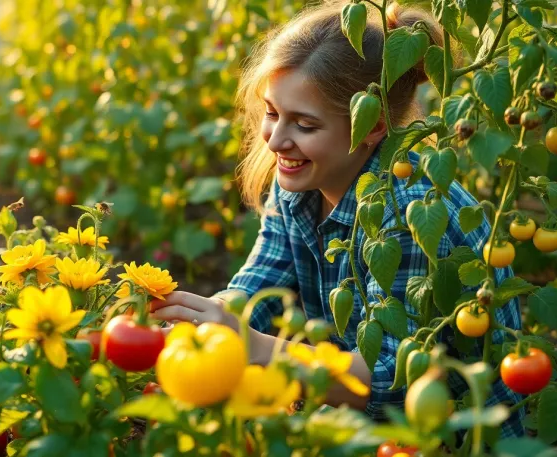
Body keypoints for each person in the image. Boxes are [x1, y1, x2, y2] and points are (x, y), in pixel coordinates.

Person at [149, 0, 525, 438]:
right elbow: (261, 287)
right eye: (272, 113)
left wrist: (255, 345)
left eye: (304, 125)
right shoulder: (300, 180)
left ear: (373, 127)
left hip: (457, 438)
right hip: (360, 427)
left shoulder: (410, 215)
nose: (275, 142)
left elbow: (391, 382)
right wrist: (198, 321)